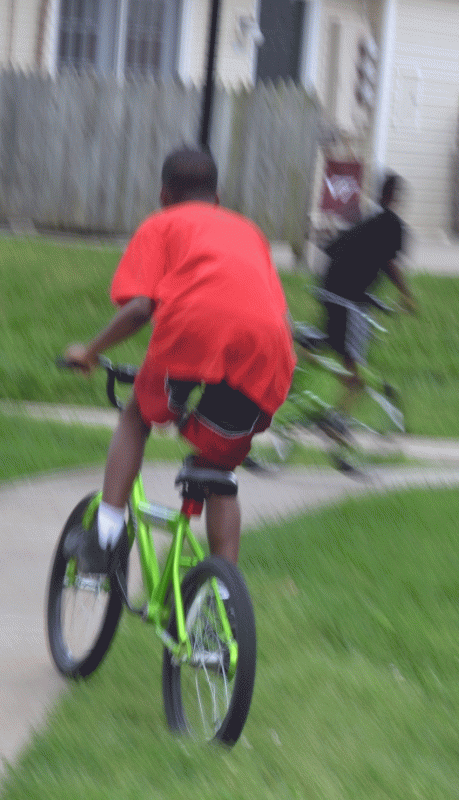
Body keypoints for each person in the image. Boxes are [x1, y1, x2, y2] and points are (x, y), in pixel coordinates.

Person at [64, 146, 296, 572]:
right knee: (220, 469)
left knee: (135, 415)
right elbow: (274, 310)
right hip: (269, 348)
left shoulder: (163, 224)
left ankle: (104, 536)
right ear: (217, 195)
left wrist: (90, 352)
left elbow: (139, 309)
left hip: (195, 330)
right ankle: (221, 595)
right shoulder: (249, 231)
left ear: (164, 194)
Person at [316, 172, 415, 432]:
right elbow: (389, 263)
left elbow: (332, 249)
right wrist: (407, 295)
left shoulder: (363, 222)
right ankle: (337, 419)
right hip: (349, 300)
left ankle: (306, 391)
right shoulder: (392, 225)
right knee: (356, 370)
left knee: (331, 347)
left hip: (328, 290)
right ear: (396, 197)